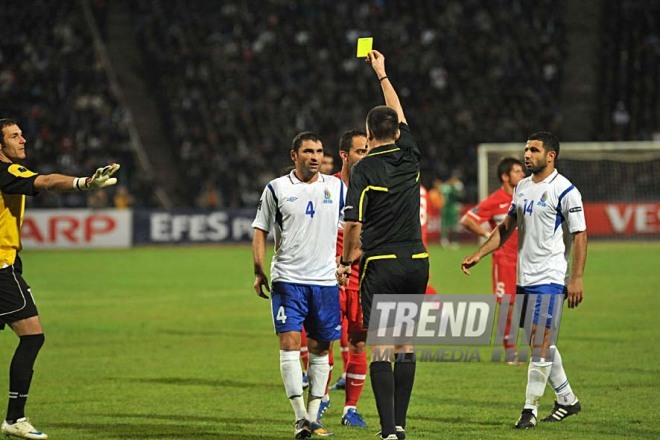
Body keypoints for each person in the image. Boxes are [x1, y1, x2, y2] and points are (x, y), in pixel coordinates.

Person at [0, 118, 119, 440]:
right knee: (32, 336)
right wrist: (85, 183)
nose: (22, 139)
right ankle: (14, 418)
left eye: (22, 133)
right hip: (1, 268)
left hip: (9, 263)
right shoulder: (6, 172)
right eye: (14, 136)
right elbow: (49, 182)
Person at [461, 132, 587, 429]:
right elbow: (506, 228)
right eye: (526, 149)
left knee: (541, 342)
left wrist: (576, 278)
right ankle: (567, 399)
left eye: (533, 150)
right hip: (524, 277)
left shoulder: (565, 190)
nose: (527, 155)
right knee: (537, 341)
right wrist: (479, 254)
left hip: (551, 276)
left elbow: (580, 234)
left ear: (550, 156)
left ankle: (529, 409)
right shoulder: (523, 189)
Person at [337, 50, 429, 440]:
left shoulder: (365, 168)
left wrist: (345, 260)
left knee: (379, 348)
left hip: (383, 263)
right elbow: (401, 115)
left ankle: (388, 428)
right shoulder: (410, 155)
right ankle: (403, 423)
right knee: (406, 343)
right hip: (417, 260)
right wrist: (383, 75)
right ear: (397, 131)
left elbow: (354, 222)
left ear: (368, 133)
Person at [252, 131, 345, 439]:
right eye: (308, 151)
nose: (315, 156)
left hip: (324, 281)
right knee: (290, 345)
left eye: (319, 150)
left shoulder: (336, 187)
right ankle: (300, 418)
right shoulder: (277, 188)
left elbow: (354, 226)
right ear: (294, 155)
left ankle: (314, 416)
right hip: (288, 280)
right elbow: (260, 229)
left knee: (321, 349)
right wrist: (258, 269)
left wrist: (347, 263)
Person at [325, 129, 369, 427]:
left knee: (359, 344)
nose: (365, 156)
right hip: (328, 281)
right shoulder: (326, 188)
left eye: (368, 150)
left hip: (362, 281)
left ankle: (350, 409)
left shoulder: (373, 190)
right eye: (360, 152)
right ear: (344, 155)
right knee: (322, 342)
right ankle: (320, 400)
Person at [459, 157, 525, 360]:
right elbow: (467, 219)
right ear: (505, 176)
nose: (522, 174)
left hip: (526, 259)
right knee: (508, 304)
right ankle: (510, 351)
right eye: (517, 171)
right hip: (504, 259)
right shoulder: (495, 200)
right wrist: (487, 235)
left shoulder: (525, 196)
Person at [439, 170, 464, 248]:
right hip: (446, 207)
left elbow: (461, 196)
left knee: (454, 225)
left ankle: (454, 241)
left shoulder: (458, 185)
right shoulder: (446, 186)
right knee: (445, 224)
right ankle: (444, 240)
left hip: (453, 207)